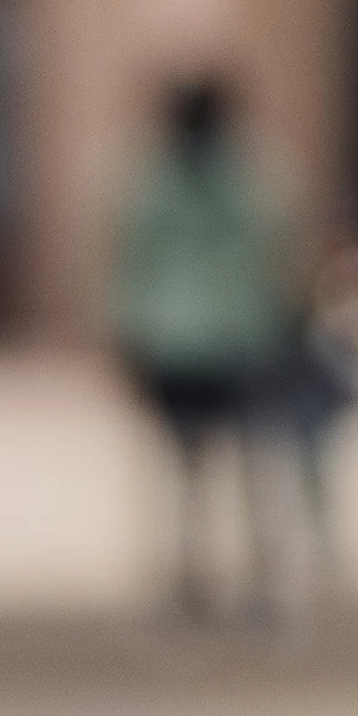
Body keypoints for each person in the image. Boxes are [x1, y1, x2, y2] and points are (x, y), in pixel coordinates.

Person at [108, 73, 296, 619]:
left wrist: (128, 330)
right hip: (232, 335)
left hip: (183, 338)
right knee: (243, 466)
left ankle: (201, 580)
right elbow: (281, 253)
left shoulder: (157, 181)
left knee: (196, 470)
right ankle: (237, 581)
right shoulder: (249, 178)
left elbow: (130, 263)